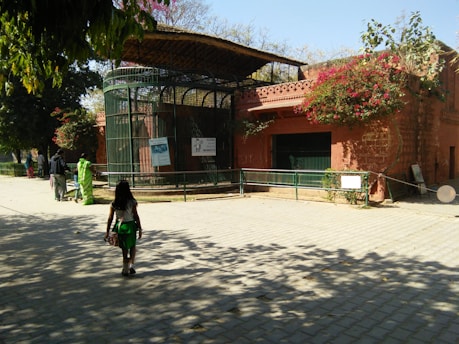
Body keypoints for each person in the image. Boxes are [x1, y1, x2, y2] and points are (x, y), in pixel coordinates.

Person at [105, 180, 142, 276]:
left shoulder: (114, 203)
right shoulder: (132, 202)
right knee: (133, 246)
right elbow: (136, 216)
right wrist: (140, 228)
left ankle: (125, 269)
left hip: (120, 227)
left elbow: (110, 218)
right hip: (130, 226)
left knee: (124, 249)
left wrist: (107, 231)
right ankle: (130, 265)